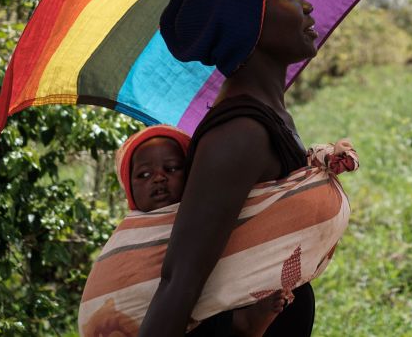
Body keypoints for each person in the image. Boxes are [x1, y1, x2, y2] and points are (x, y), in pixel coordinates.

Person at [139, 0, 331, 336]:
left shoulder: (268, 117)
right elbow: (179, 281)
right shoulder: (239, 133)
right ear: (248, 25)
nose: (307, 6)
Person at [114, 125, 287, 336]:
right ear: (130, 190)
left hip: (212, 303)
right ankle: (242, 324)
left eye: (171, 168)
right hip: (146, 317)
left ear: (194, 176)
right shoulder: (127, 236)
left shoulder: (202, 215)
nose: (158, 178)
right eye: (144, 174)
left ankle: (243, 323)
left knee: (194, 286)